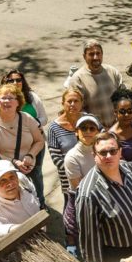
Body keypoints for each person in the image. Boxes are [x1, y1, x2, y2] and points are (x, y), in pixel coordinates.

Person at [75, 132, 132, 262]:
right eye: (103, 153)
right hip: (120, 259)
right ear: (94, 156)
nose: (109, 156)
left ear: (120, 152)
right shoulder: (88, 193)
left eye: (113, 151)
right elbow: (90, 243)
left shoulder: (128, 168)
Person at [0, 84, 46, 208]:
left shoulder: (26, 118)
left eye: (11, 98)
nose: (6, 101)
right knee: (14, 202)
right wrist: (15, 162)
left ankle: (40, 209)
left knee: (36, 195)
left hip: (30, 165)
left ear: (18, 102)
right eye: (3, 98)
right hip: (6, 171)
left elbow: (40, 141)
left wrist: (31, 155)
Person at [1, 69, 48, 206]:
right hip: (13, 147)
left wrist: (32, 124)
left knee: (36, 174)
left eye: (18, 79)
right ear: (5, 82)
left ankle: (41, 203)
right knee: (18, 177)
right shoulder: (2, 99)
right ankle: (25, 205)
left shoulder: (32, 97)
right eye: (11, 80)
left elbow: (44, 118)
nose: (15, 82)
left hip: (36, 143)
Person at [63, 115, 101, 257]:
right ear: (76, 132)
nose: (88, 132)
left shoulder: (102, 151)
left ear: (97, 132)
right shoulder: (72, 157)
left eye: (92, 128)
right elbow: (80, 187)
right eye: (83, 128)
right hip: (81, 203)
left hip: (102, 200)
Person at [67, 39, 125, 128]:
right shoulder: (77, 79)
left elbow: (124, 98)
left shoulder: (113, 72)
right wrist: (98, 128)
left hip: (117, 128)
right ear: (84, 56)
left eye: (98, 53)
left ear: (102, 54)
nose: (95, 57)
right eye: (91, 54)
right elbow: (77, 110)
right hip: (93, 132)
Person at [0, 160, 41, 241]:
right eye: (3, 181)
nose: (10, 184)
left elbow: (34, 194)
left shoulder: (22, 180)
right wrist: (20, 229)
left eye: (12, 177)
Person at [47, 88, 84, 218]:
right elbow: (56, 158)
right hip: (68, 180)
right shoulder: (54, 128)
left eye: (76, 101)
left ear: (81, 103)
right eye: (69, 101)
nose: (73, 104)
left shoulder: (89, 120)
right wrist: (76, 171)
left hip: (91, 176)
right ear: (63, 103)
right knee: (71, 212)